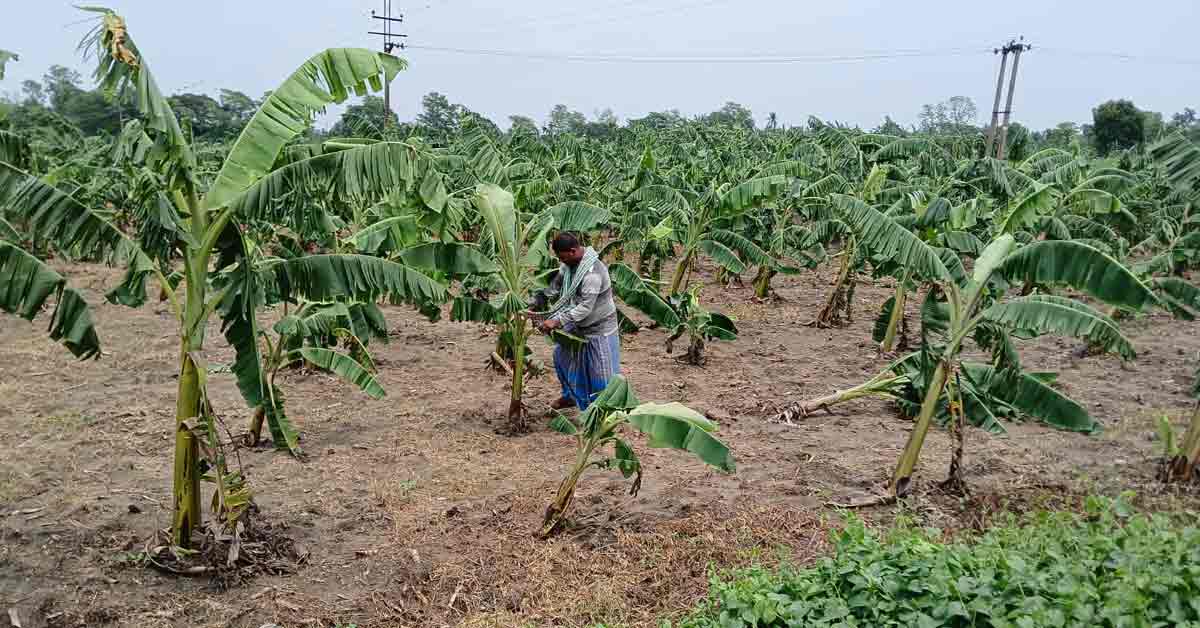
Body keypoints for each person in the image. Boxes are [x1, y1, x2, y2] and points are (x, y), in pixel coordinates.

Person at [530, 232, 621, 411]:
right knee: (562, 357)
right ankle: (571, 396)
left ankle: (603, 410)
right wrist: (538, 300)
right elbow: (556, 285)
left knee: (600, 374)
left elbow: (585, 308)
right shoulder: (569, 265)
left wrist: (556, 321)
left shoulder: (591, 274)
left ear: (572, 251)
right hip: (577, 323)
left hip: (599, 327)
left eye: (563, 257)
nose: (561, 261)